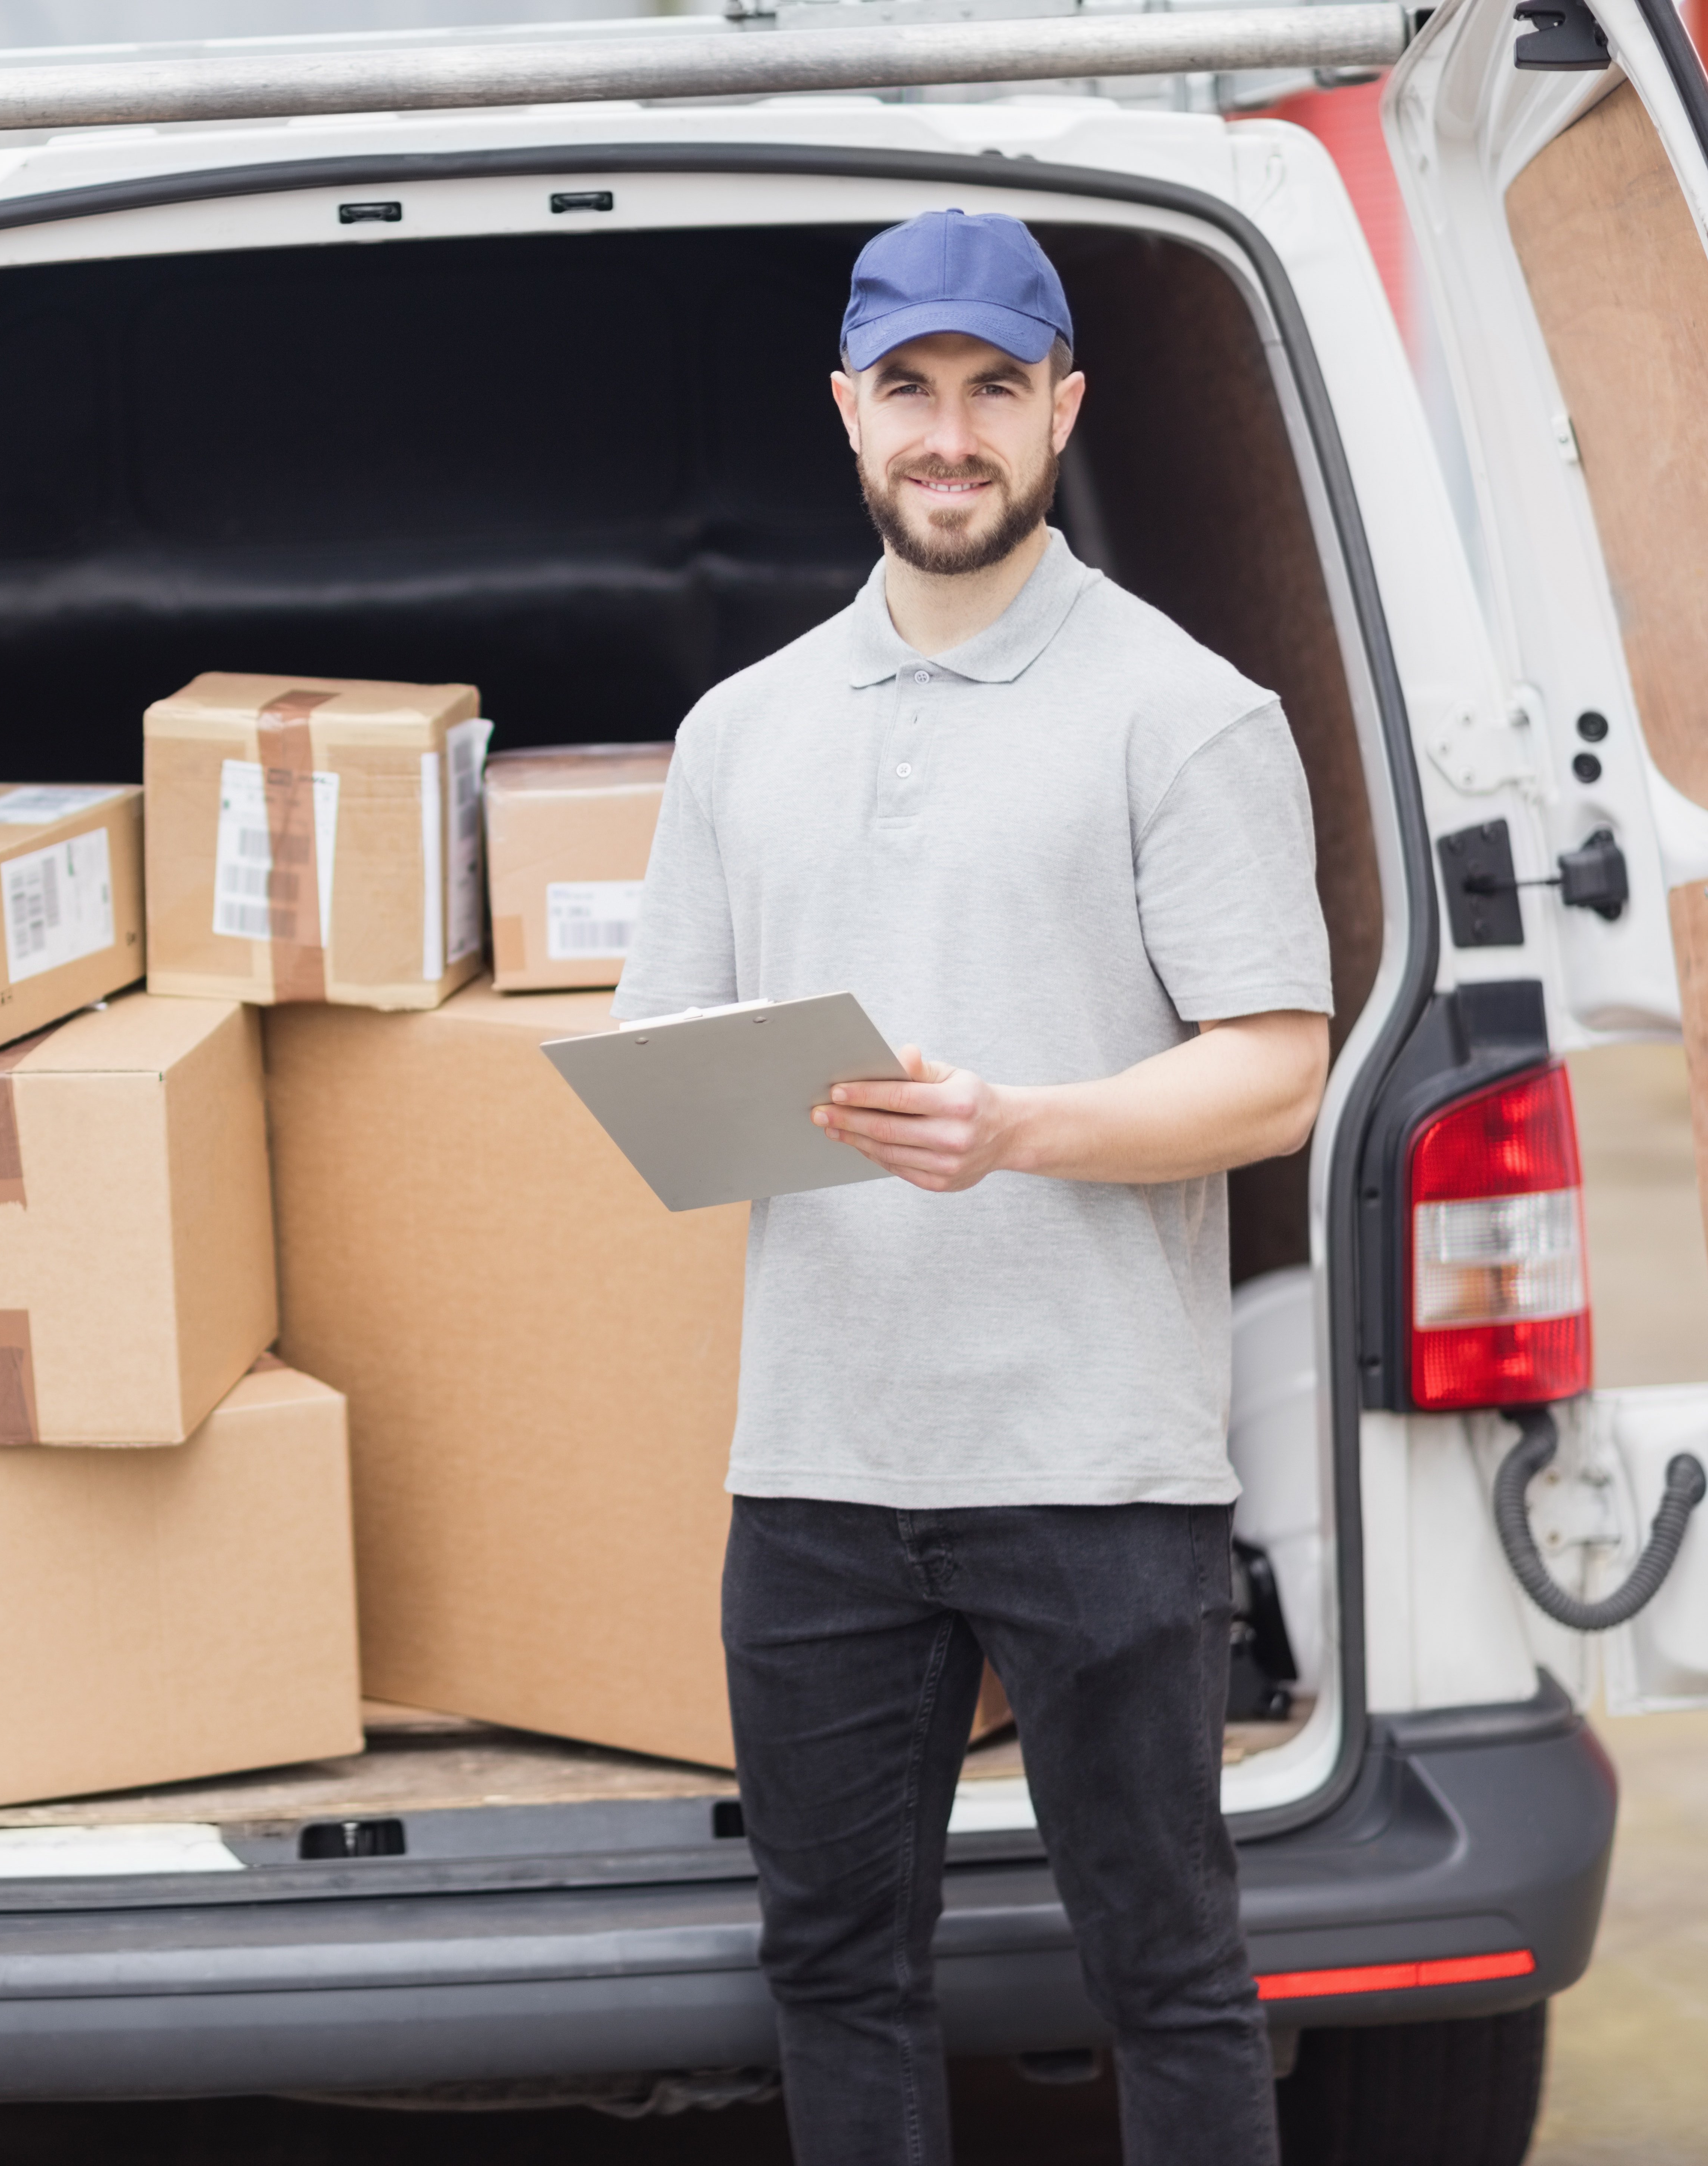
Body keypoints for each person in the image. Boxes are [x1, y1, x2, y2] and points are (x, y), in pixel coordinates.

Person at [613, 208, 1336, 2166]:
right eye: (912, 391)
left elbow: (1278, 1069)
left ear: (1061, 408)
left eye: (994, 391)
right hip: (822, 1473)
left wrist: (1019, 1128)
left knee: (1168, 1979)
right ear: (849, 410)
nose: (952, 435)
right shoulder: (743, 730)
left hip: (1097, 1466)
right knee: (835, 1971)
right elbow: (670, 1052)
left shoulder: (1181, 712)